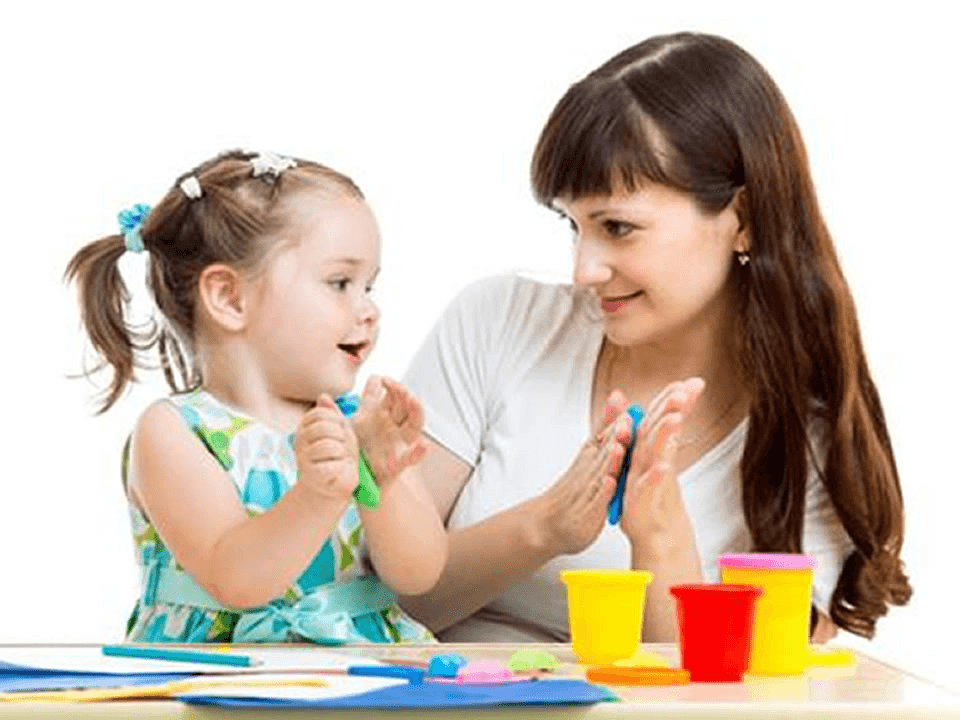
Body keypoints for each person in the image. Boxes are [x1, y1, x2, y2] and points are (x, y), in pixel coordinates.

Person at [398, 32, 911, 644]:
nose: (584, 270)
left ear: (744, 220)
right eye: (572, 224)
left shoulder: (808, 439)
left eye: (618, 227)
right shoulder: (499, 320)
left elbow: (745, 688)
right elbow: (385, 601)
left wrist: (660, 536)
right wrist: (545, 526)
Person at [65, 150, 447, 643]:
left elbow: (418, 574)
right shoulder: (176, 431)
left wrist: (383, 483)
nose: (370, 310)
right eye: (340, 283)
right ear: (230, 298)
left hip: (360, 670)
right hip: (217, 676)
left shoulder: (359, 424)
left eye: (369, 286)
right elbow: (236, 579)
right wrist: (316, 496)